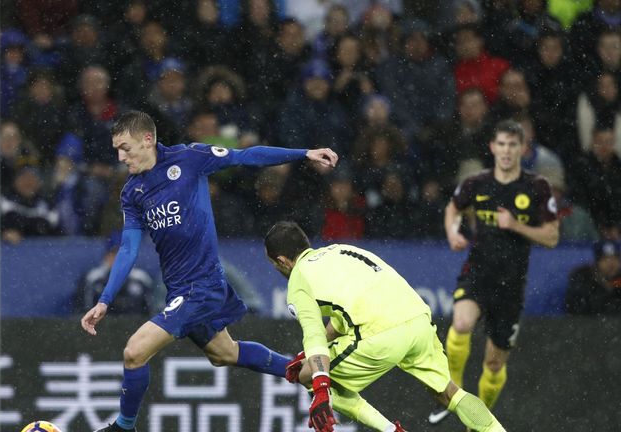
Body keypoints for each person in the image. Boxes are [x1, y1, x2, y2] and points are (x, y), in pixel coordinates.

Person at [80, 110, 338, 432]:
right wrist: (105, 300)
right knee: (224, 353)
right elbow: (129, 248)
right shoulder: (132, 192)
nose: (120, 157)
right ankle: (301, 373)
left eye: (125, 147)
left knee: (134, 351)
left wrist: (304, 154)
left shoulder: (191, 158)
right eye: (116, 149)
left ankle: (123, 428)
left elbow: (248, 156)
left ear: (148, 139)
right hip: (179, 289)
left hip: (201, 285)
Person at [264, 221, 507, 432]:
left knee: (307, 374)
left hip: (379, 333)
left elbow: (314, 336)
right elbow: (344, 314)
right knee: (448, 393)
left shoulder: (298, 282)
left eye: (275, 265)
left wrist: (320, 387)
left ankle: (390, 429)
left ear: (282, 261)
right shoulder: (340, 250)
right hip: (418, 319)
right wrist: (310, 355)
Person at [429, 119, 559, 424]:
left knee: (494, 362)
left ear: (522, 149)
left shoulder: (536, 187)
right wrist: (452, 232)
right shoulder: (476, 183)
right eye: (501, 144)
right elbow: (453, 208)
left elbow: (552, 237)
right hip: (478, 272)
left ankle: (478, 419)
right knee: (461, 323)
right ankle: (453, 392)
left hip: (512, 284)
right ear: (492, 147)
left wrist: (515, 225)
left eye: (513, 145)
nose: (506, 150)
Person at [565, 239, 621, 315]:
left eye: (615, 258)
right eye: (605, 259)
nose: (611, 264)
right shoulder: (583, 279)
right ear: (597, 262)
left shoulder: (618, 281)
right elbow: (575, 310)